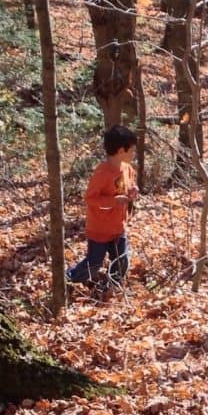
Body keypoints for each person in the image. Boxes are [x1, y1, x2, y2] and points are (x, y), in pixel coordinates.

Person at [66, 124, 139, 293]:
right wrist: (113, 201)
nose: (134, 154)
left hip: (118, 226)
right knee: (93, 264)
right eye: (132, 150)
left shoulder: (127, 169)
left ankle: (110, 287)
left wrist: (133, 190)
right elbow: (90, 198)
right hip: (99, 228)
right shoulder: (102, 172)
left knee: (121, 261)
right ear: (121, 150)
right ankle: (70, 277)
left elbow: (130, 184)